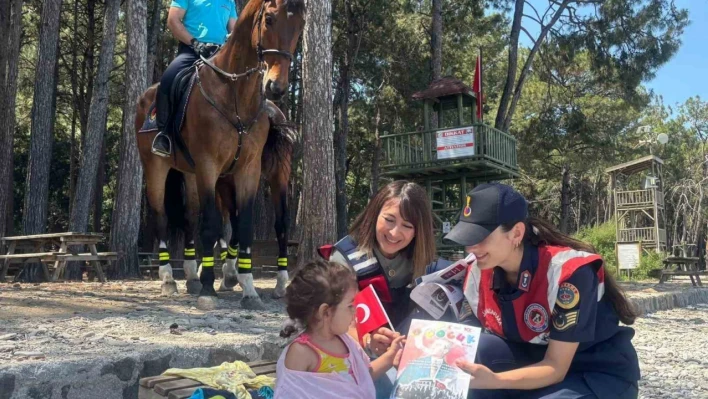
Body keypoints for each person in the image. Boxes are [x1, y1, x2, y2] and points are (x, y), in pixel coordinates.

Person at [439, 183, 640, 399]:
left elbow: (556, 367)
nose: (470, 248)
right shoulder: (478, 270)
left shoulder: (568, 273)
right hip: (532, 363)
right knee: (479, 349)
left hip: (592, 372)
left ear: (516, 233)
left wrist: (495, 381)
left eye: (480, 237)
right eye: (467, 239)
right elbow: (467, 337)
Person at [275, 260, 405, 399]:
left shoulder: (346, 341)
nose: (355, 311)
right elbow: (288, 394)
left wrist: (390, 356)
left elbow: (363, 377)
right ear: (325, 312)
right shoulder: (302, 352)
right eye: (350, 306)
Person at [151, 0, 238, 157]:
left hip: (221, 54)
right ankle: (164, 133)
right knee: (169, 78)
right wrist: (195, 43)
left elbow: (235, 29)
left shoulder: (229, 1)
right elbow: (173, 20)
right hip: (192, 50)